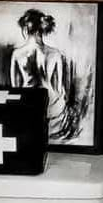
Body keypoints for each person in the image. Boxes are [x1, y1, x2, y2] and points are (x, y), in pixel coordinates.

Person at [10, 9, 73, 141]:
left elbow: (15, 88)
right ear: (42, 29)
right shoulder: (56, 54)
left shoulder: (17, 54)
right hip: (52, 108)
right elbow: (60, 87)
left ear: (25, 29)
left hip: (28, 106)